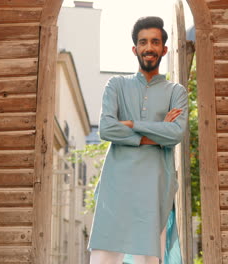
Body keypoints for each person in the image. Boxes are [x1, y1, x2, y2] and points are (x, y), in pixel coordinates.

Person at [87, 16, 187, 264]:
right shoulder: (117, 85)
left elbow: (175, 134)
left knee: (148, 258)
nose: (149, 47)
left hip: (155, 188)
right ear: (135, 49)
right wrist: (156, 132)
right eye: (143, 42)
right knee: (104, 257)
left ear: (164, 49)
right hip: (116, 186)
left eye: (155, 42)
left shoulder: (176, 92)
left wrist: (132, 124)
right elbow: (107, 129)